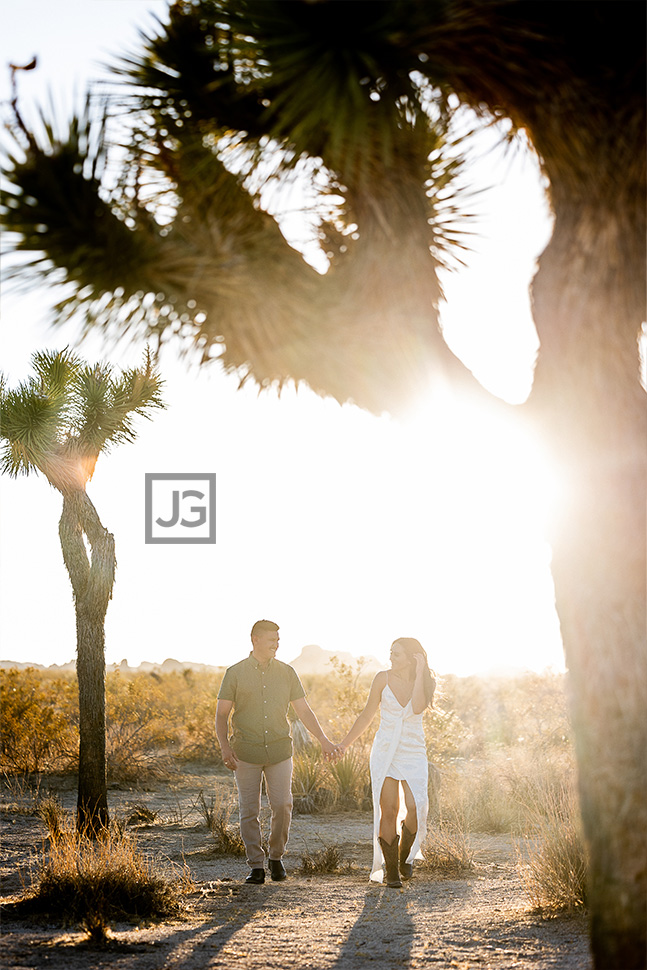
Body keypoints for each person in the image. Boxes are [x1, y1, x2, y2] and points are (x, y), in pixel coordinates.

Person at [215, 619, 337, 884]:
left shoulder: (287, 672)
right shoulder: (234, 673)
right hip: (245, 751)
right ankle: (256, 865)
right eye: (272, 640)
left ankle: (276, 857)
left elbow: (304, 710)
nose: (277, 645)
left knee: (282, 805)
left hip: (280, 750)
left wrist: (323, 740)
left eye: (278, 640)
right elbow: (222, 714)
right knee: (249, 810)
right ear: (255, 639)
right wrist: (225, 747)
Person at [334, 638, 435, 888]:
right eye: (391, 653)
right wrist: (344, 744)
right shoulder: (382, 678)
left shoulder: (422, 680)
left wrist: (420, 672)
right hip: (385, 750)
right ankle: (391, 871)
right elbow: (367, 714)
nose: (391, 657)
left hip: (413, 750)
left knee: (416, 807)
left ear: (413, 657)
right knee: (388, 809)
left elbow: (419, 707)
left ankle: (404, 858)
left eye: (397, 654)